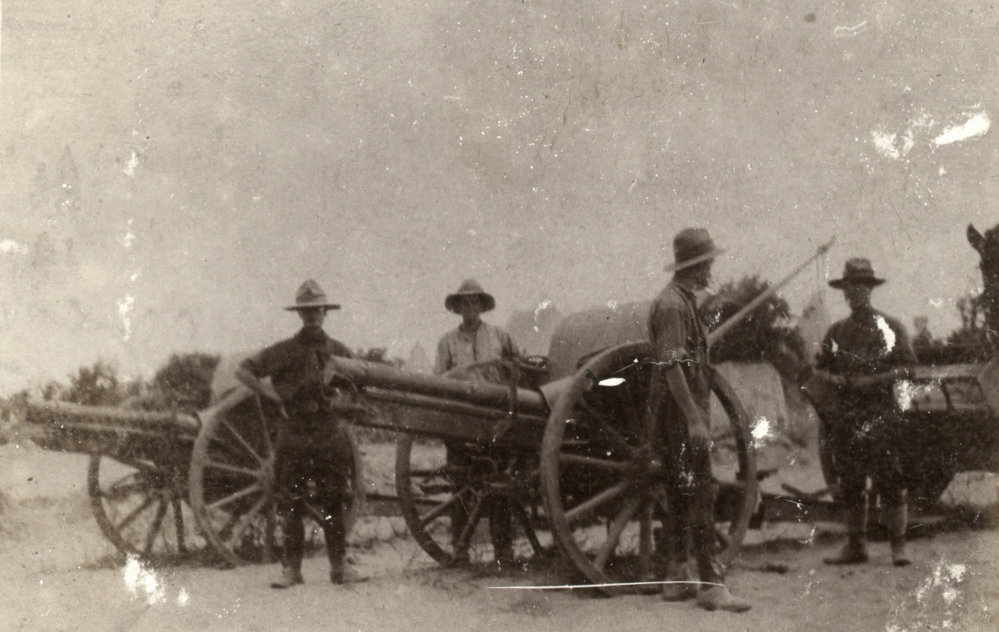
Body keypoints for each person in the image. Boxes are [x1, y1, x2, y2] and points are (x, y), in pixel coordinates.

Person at [235, 279, 364, 588]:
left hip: (329, 433)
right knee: (290, 500)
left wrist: (342, 400)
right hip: (293, 431)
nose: (312, 316)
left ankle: (339, 567)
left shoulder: (340, 352)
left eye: (317, 310)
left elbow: (360, 388)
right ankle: (291, 570)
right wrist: (270, 394)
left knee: (333, 500)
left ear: (325, 312)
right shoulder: (283, 351)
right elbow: (244, 370)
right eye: (306, 311)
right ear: (299, 314)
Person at [648, 227, 751, 613]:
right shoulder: (674, 306)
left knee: (678, 492)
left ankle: (677, 577)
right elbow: (672, 365)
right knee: (702, 491)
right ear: (697, 265)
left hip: (674, 412)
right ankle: (711, 585)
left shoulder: (680, 302)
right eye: (708, 263)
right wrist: (693, 418)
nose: (712, 269)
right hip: (681, 412)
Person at [815, 258, 917, 567]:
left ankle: (898, 547)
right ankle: (856, 545)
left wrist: (872, 381)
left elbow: (909, 368)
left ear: (869, 290)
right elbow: (821, 372)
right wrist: (836, 380)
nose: (855, 292)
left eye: (861, 286)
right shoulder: (836, 332)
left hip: (881, 414)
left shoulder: (892, 327)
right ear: (844, 292)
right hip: (847, 417)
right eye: (850, 287)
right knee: (851, 481)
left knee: (889, 478)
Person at [434, 278, 522, 567]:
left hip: (495, 422)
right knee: (460, 486)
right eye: (464, 303)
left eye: (474, 302)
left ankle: (503, 551)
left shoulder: (499, 336)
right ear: (458, 308)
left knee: (500, 484)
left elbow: (520, 369)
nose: (469, 307)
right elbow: (438, 381)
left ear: (481, 306)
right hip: (460, 422)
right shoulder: (447, 342)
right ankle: (460, 549)